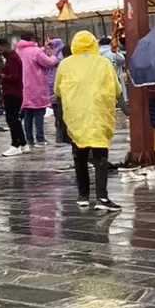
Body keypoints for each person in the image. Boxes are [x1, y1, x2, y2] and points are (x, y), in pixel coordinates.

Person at [53, 30, 121, 211]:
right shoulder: (103, 63)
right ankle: (102, 198)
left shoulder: (65, 64)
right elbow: (117, 88)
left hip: (76, 116)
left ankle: (83, 196)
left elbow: (57, 90)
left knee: (79, 154)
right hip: (98, 114)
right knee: (100, 156)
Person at [15, 35, 58, 146]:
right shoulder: (36, 51)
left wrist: (43, 48)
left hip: (23, 86)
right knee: (39, 111)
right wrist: (53, 56)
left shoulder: (18, 51)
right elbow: (48, 62)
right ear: (33, 40)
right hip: (36, 85)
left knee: (28, 113)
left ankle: (29, 138)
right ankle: (40, 138)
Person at [0, 39, 27, 156]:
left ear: (5, 46)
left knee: (12, 119)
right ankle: (23, 144)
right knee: (14, 119)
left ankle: (15, 144)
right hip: (11, 92)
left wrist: (1, 75)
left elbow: (14, 77)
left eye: (0, 49)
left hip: (13, 93)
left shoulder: (13, 58)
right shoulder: (11, 58)